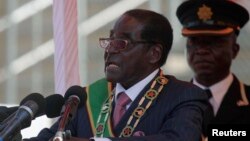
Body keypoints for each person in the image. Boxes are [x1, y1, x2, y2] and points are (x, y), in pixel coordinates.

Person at [26, 9, 208, 141]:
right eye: (110, 41)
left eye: (121, 43)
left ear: (154, 54)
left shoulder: (183, 96)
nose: (110, 50)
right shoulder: (83, 98)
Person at [176, 0, 250, 137]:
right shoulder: (168, 104)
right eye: (194, 41)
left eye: (213, 41)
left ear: (235, 50)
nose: (202, 50)